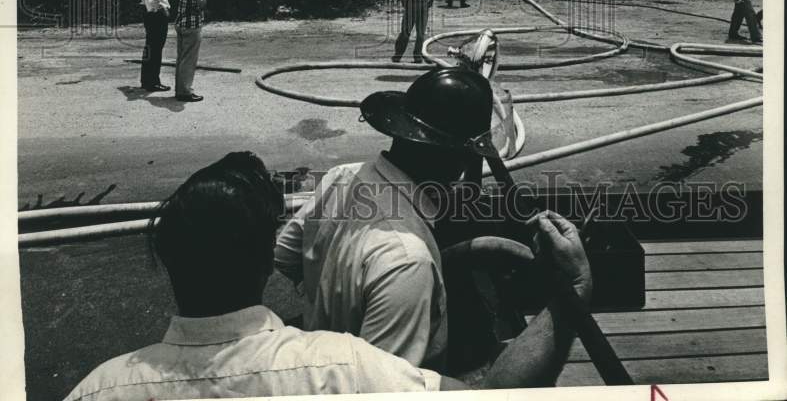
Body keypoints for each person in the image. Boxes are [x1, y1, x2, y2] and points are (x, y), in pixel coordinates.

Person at [64, 150, 590, 400]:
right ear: (259, 249)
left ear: (170, 256)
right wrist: (572, 294)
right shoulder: (346, 370)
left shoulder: (98, 388)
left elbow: (295, 257)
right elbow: (500, 391)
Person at [275, 67, 591, 378]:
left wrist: (334, 292)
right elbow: (385, 390)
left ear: (401, 130)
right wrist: (578, 286)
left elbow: (285, 258)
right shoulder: (408, 262)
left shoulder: (340, 178)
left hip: (326, 358)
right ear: (461, 159)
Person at [137, 0, 175, 92]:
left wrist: (146, 5)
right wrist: (163, 9)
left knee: (149, 47)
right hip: (157, 17)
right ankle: (154, 82)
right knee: (157, 49)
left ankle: (145, 80)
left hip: (148, 15)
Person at [172, 0, 207, 102]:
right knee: (189, 59)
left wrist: (180, 3)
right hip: (192, 24)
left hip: (180, 22)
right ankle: (185, 92)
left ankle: (179, 89)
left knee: (181, 57)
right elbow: (200, 0)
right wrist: (202, 4)